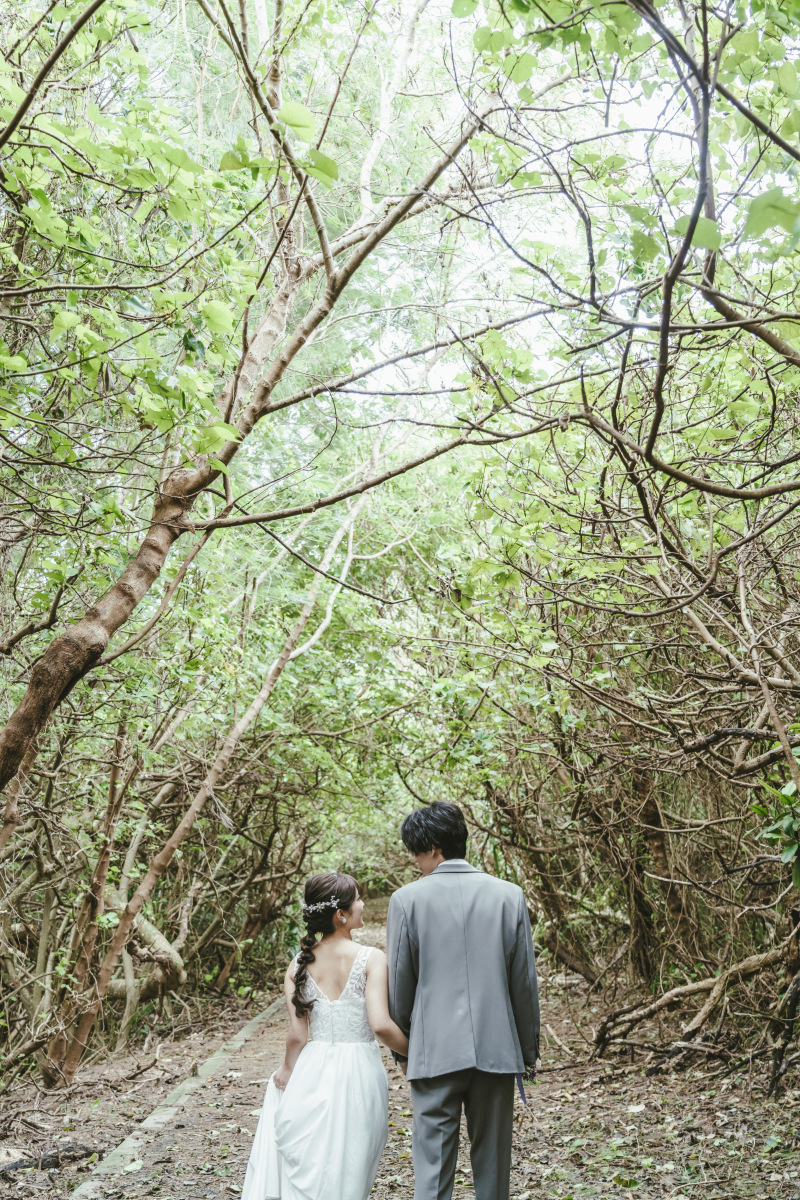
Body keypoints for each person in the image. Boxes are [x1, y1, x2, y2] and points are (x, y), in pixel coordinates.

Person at [387, 801, 541, 1200]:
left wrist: (405, 1049)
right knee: (493, 1168)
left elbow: (400, 982)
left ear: (434, 848)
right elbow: (523, 983)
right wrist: (526, 1050)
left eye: (417, 852)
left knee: (433, 1169)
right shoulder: (510, 896)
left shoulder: (406, 900)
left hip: (434, 1052)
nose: (416, 861)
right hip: (496, 1050)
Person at [241, 872, 409, 1200]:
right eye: (358, 899)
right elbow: (381, 1026)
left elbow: (297, 1035)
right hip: (359, 1072)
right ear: (341, 914)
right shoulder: (371, 958)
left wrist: (287, 1070)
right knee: (354, 1164)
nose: (363, 904)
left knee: (314, 1161)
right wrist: (415, 1052)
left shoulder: (298, 965)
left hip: (312, 1070)